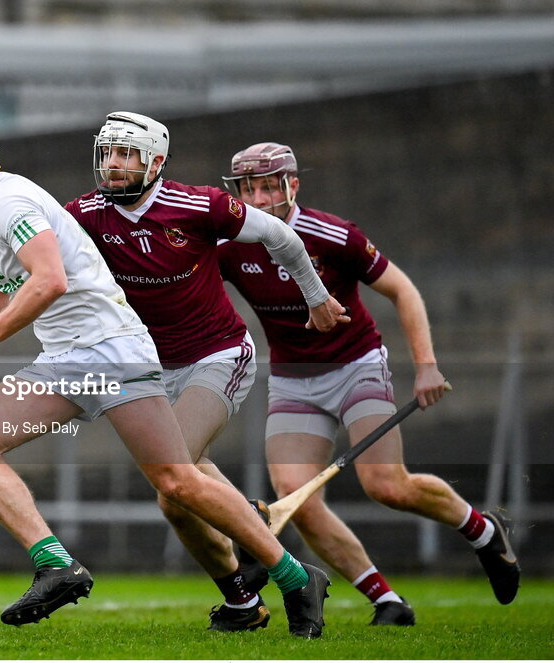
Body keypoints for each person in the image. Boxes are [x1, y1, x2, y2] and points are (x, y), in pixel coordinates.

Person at [0, 123, 334, 639]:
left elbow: (50, 280)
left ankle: (295, 578)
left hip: (114, 352)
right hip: (66, 363)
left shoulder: (12, 205)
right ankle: (55, 565)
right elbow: (4, 288)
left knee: (176, 481)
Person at [58, 112, 348, 632]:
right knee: (176, 499)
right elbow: (36, 266)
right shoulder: (83, 213)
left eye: (127, 154)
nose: (114, 165)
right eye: (108, 153)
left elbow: (280, 235)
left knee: (173, 473)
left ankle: (294, 577)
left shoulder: (199, 205)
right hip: (150, 369)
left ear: (156, 162)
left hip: (217, 355)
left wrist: (317, 296)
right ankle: (242, 601)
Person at [216, 141, 520, 624]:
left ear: (293, 186)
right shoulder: (230, 244)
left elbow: (402, 289)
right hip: (293, 378)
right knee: (298, 497)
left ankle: (483, 531)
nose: (257, 199)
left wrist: (426, 365)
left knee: (386, 485)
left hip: (356, 364)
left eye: (268, 187)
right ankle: (386, 600)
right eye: (247, 189)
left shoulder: (334, 235)